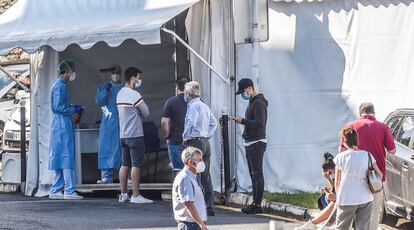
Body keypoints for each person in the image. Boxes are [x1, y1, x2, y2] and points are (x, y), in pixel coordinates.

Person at [338, 102, 396, 230]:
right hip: (374, 179)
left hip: (352, 177)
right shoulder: (383, 127)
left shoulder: (350, 126)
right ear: (374, 113)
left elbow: (341, 151)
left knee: (347, 215)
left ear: (360, 114)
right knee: (374, 212)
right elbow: (392, 150)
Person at [334, 127, 383, 230]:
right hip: (365, 197)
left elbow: (337, 181)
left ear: (344, 141)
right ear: (357, 140)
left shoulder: (340, 157)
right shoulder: (367, 155)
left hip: (346, 198)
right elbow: (380, 175)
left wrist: (338, 197)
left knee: (341, 227)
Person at [116, 66, 153, 204]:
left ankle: (123, 194)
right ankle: (136, 195)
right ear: (133, 78)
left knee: (124, 164)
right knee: (136, 165)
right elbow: (146, 112)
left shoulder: (119, 94)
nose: (139, 80)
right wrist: (137, 112)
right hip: (135, 135)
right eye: (138, 77)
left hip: (123, 135)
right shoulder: (135, 95)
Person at [48, 60, 83, 200]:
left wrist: (71, 106)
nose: (73, 74)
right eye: (72, 70)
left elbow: (60, 105)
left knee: (59, 157)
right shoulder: (60, 86)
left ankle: (56, 189)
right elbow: (57, 107)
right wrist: (73, 109)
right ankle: (69, 190)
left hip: (59, 123)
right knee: (66, 155)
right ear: (67, 71)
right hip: (61, 123)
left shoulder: (59, 84)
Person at [182, 81, 217, 216]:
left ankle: (197, 205)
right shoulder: (204, 105)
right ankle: (209, 206)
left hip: (195, 141)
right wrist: (207, 135)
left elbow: (190, 122)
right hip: (205, 142)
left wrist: (185, 137)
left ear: (188, 94)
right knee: (205, 175)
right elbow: (213, 123)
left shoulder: (193, 106)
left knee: (193, 173)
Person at [234, 78, 268, 214]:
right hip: (251, 141)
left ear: (249, 88)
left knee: (257, 174)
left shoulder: (259, 103)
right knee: (253, 174)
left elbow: (260, 123)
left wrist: (243, 121)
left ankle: (257, 204)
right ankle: (255, 203)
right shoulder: (252, 102)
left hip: (257, 142)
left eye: (244, 91)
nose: (244, 94)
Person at [95, 64, 123, 184]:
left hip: (122, 121)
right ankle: (106, 176)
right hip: (108, 121)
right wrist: (105, 92)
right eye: (113, 73)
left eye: (117, 73)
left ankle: (126, 175)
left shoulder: (124, 87)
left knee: (122, 148)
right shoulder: (104, 87)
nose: (115, 75)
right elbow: (99, 102)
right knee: (106, 147)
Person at [295, 153, 337, 230]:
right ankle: (325, 224)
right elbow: (336, 188)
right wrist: (328, 182)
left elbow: (339, 191)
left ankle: (318, 224)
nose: (330, 173)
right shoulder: (336, 170)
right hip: (342, 196)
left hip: (346, 199)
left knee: (333, 201)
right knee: (323, 198)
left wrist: (331, 192)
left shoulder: (340, 169)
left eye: (330, 172)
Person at [172, 147, 208, 230]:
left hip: (193, 223)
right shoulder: (185, 178)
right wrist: (201, 224)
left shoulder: (192, 177)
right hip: (190, 224)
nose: (202, 163)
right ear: (190, 162)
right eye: (200, 160)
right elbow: (188, 204)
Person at [161, 77, 189, 174]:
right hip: (193, 142)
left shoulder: (171, 102)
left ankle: (180, 189)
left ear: (177, 87)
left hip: (175, 141)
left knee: (179, 173)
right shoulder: (197, 102)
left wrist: (167, 136)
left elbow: (165, 122)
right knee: (194, 172)